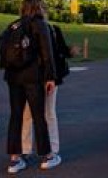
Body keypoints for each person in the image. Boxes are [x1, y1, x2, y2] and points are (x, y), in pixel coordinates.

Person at [5, 0, 60, 174]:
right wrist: (50, 77)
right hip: (33, 77)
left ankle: (15, 158)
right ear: (39, 6)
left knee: (16, 116)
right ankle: (46, 155)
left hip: (13, 77)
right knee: (39, 116)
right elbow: (47, 54)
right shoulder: (40, 25)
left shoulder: (14, 25)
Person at [21, 21, 72, 163]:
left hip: (36, 77)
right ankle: (47, 148)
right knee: (44, 113)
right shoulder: (49, 29)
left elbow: (61, 50)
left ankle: (33, 148)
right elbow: (61, 51)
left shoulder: (27, 28)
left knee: (35, 113)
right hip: (43, 77)